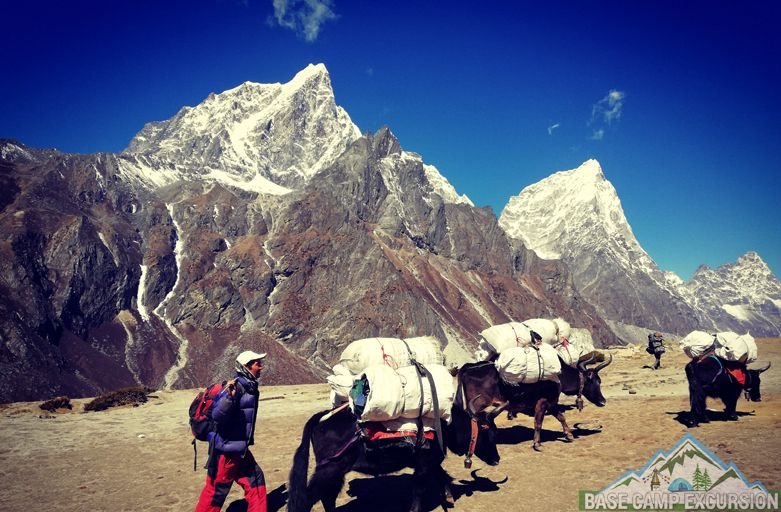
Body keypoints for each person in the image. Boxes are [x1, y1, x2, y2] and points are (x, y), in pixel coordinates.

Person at [194, 350, 268, 512]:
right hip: (225, 452)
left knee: (256, 481)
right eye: (257, 364)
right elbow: (218, 415)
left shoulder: (249, 387)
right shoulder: (236, 387)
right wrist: (228, 398)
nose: (261, 367)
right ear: (246, 367)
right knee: (215, 492)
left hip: (238, 449)